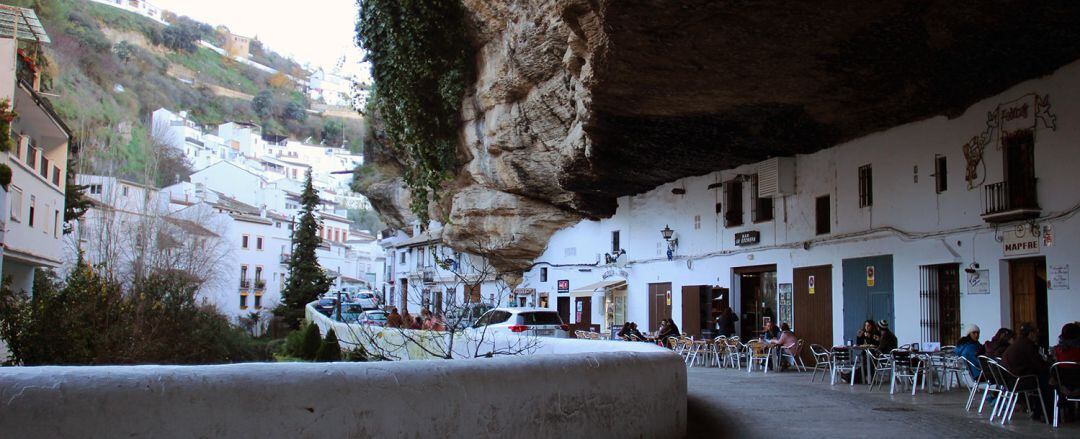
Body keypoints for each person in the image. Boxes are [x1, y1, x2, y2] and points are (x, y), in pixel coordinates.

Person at [1002, 322, 1051, 420]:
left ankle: (1038, 412)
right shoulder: (1027, 345)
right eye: (1036, 333)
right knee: (1048, 382)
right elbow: (1039, 365)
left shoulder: (1018, 343)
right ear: (1031, 333)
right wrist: (1050, 365)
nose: (1037, 336)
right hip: (1020, 380)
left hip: (1010, 380)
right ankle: (1048, 415)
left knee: (1043, 379)